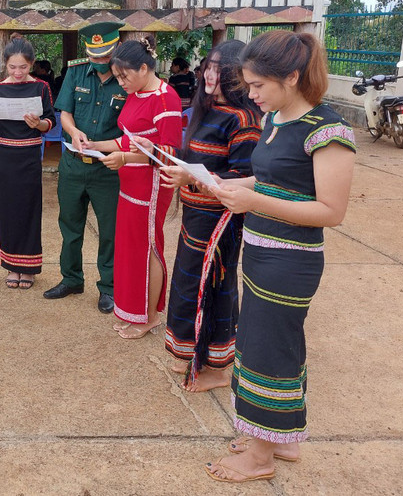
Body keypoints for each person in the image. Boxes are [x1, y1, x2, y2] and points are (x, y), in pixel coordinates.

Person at [203, 31, 355, 483]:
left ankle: (259, 457)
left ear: (291, 77)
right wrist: (223, 183)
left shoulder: (328, 132)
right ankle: (276, 437)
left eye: (257, 86)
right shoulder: (276, 119)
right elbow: (266, 179)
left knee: (269, 349)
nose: (250, 95)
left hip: (291, 260)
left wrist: (253, 202)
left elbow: (331, 211)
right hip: (262, 250)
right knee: (271, 344)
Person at [159, 40, 261, 392]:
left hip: (221, 220)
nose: (211, 76)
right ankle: (189, 351)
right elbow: (196, 160)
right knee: (188, 281)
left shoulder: (244, 120)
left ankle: (217, 366)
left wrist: (192, 178)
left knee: (214, 285)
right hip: (195, 214)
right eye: (209, 67)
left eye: (222, 70)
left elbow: (243, 179)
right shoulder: (204, 111)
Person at [83, 37, 181, 337]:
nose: (121, 82)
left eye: (125, 76)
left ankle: (149, 316)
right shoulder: (137, 93)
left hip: (151, 186)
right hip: (130, 182)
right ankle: (134, 310)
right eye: (118, 77)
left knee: (149, 246)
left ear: (143, 67)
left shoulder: (166, 99)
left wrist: (125, 157)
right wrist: (94, 144)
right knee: (131, 248)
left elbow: (169, 153)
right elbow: (130, 138)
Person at [44, 22, 125, 313]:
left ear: (116, 49)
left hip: (108, 169)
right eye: (94, 55)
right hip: (73, 165)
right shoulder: (76, 71)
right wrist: (73, 131)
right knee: (69, 225)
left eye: (105, 56)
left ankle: (109, 287)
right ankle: (71, 278)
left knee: (110, 230)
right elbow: (65, 113)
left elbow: (132, 131)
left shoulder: (126, 78)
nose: (100, 61)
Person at [0, 38, 55, 289]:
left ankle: (29, 268)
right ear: (5, 64)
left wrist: (39, 124)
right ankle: (12, 266)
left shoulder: (42, 87)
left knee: (29, 209)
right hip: (4, 157)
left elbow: (49, 122)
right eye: (12, 67)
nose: (18, 72)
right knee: (8, 210)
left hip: (30, 155)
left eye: (23, 67)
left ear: (31, 64)